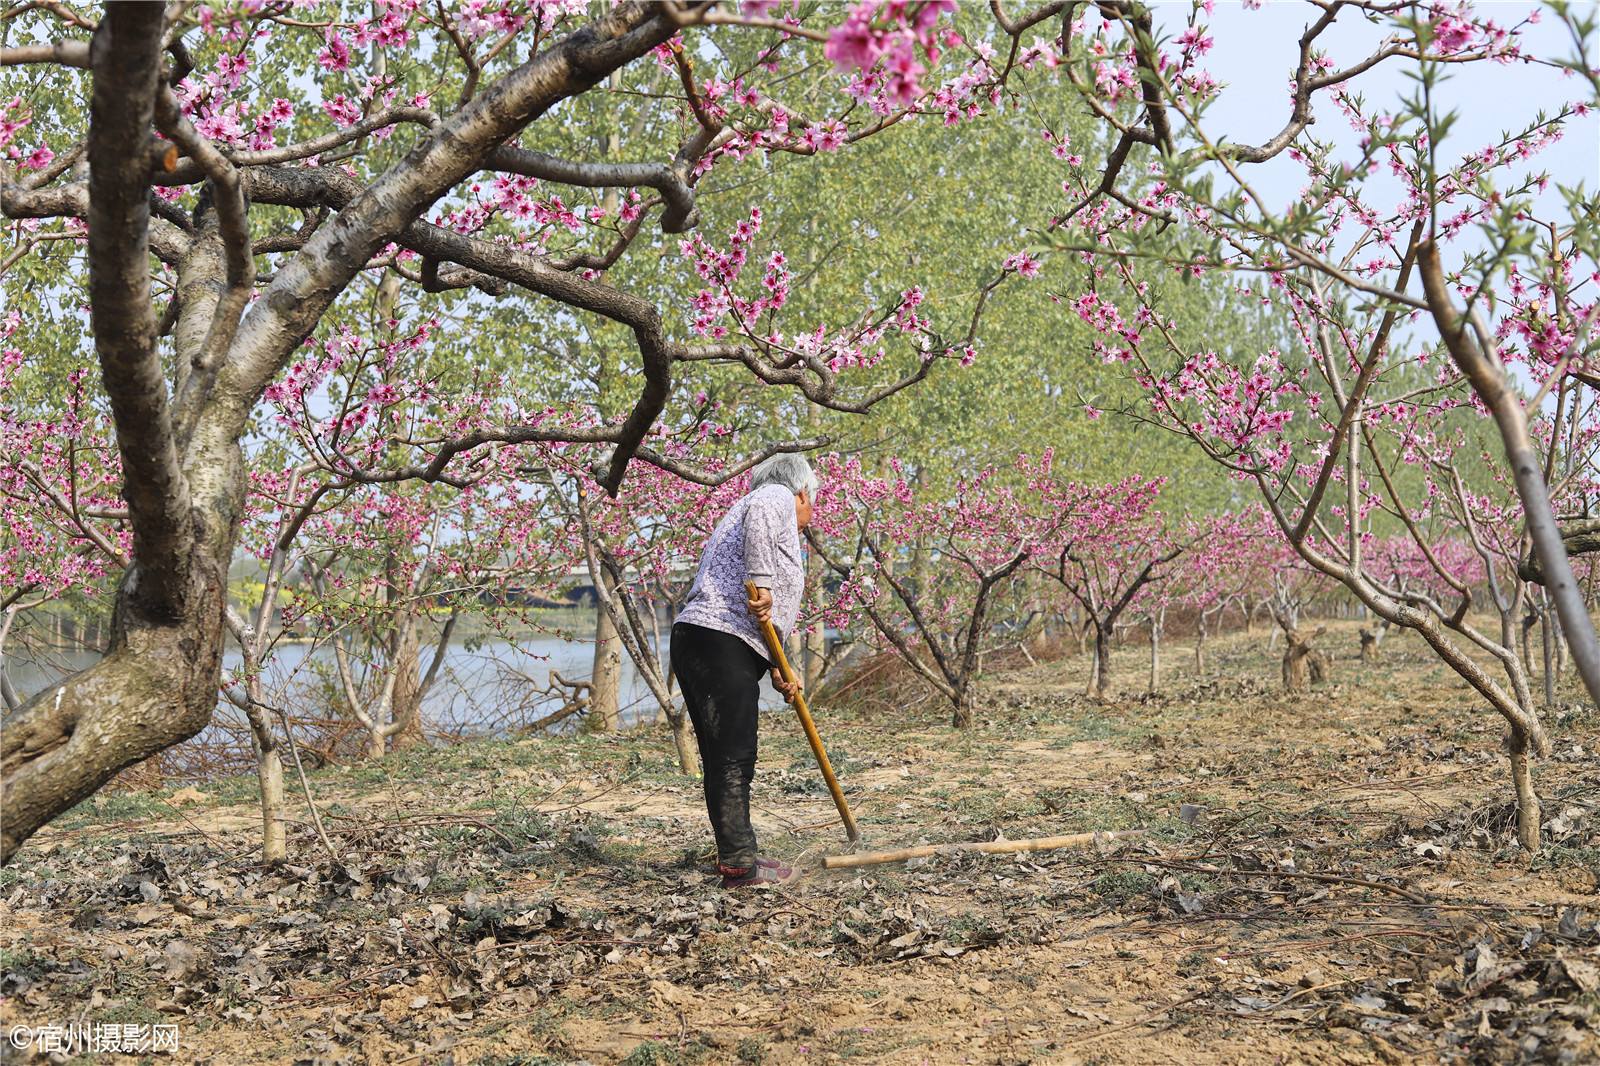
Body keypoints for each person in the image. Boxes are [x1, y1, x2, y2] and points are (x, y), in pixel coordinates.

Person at [671, 452, 816, 888]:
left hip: (715, 642)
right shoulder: (773, 496)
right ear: (803, 492)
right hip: (715, 639)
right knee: (732, 758)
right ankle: (740, 864)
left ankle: (741, 857)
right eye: (813, 501)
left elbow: (769, 621)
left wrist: (778, 665)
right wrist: (763, 584)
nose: (811, 512)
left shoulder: (770, 516)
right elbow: (760, 594)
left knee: (727, 756)